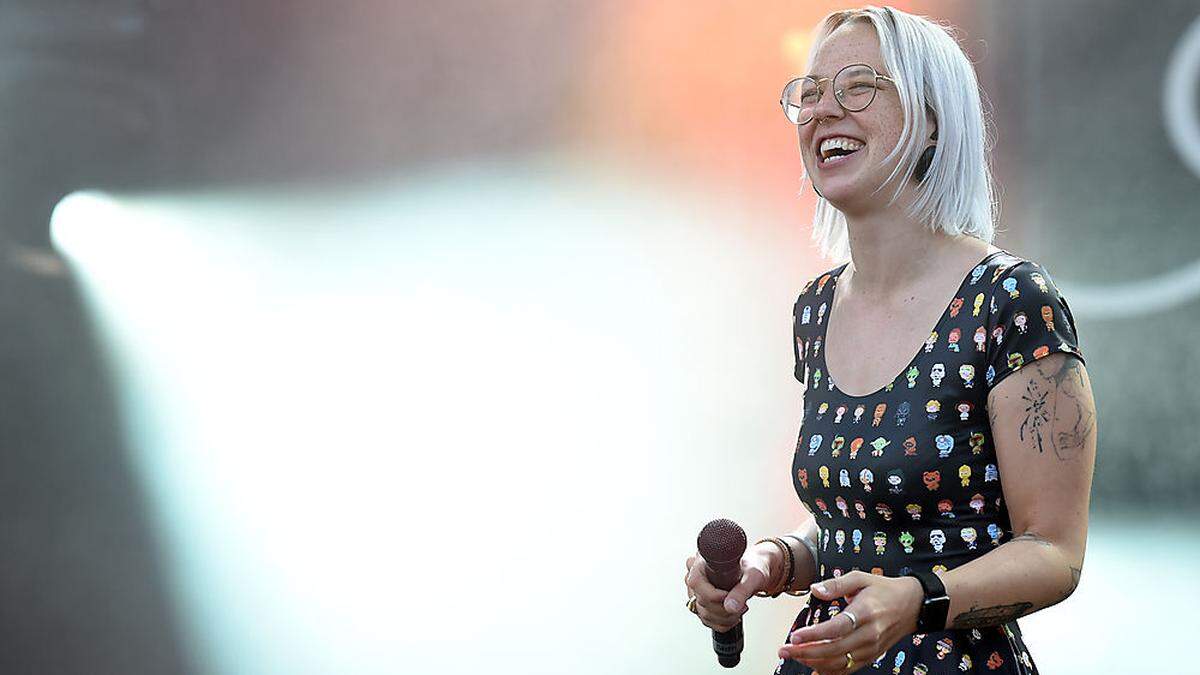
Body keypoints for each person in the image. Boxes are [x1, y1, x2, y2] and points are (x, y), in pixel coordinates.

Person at [683, 6, 1097, 674]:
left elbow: (1055, 552)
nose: (824, 110)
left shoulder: (1011, 302)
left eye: (858, 87)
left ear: (933, 120)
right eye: (810, 93)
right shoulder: (815, 310)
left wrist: (916, 601)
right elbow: (860, 522)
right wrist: (770, 561)